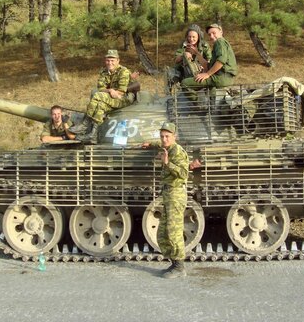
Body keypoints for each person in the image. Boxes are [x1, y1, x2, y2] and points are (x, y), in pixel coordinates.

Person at [141, 122, 190, 279]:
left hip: (176, 194)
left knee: (173, 231)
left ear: (174, 137)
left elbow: (184, 174)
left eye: (167, 136)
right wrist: (150, 144)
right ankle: (174, 263)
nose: (164, 139)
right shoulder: (167, 147)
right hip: (168, 194)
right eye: (162, 136)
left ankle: (180, 267)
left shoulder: (178, 152)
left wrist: (168, 163)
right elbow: (162, 144)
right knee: (163, 232)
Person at [71, 50, 135, 143]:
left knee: (97, 95)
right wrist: (110, 90)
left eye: (112, 60)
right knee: (100, 105)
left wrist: (112, 92)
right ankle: (93, 135)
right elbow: (101, 88)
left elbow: (121, 91)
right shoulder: (104, 72)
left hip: (123, 99)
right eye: (108, 60)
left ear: (118, 61)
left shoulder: (123, 72)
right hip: (111, 96)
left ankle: (85, 124)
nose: (110, 63)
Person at [180, 23, 237, 90]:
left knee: (185, 82)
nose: (212, 36)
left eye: (214, 33)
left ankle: (195, 100)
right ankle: (210, 99)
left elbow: (221, 61)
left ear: (221, 32)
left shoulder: (220, 42)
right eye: (209, 34)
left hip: (220, 77)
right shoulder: (221, 44)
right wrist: (197, 53)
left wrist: (207, 74)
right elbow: (207, 65)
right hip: (223, 78)